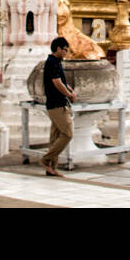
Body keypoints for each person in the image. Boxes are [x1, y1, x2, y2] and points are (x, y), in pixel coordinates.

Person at [41, 36, 77, 177]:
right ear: (58, 49)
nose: (66, 53)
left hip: (57, 103)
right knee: (68, 134)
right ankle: (46, 159)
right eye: (65, 50)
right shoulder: (52, 62)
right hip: (56, 104)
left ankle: (51, 168)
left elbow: (61, 80)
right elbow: (57, 83)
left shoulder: (56, 62)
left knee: (55, 136)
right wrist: (69, 94)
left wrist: (70, 90)